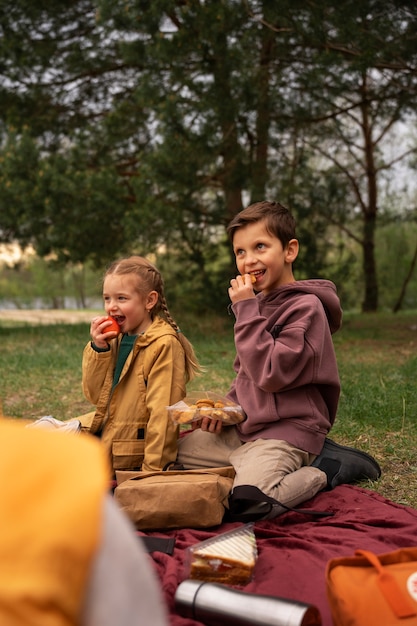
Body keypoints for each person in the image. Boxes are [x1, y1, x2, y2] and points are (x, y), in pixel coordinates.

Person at [177, 200, 381, 520]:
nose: (248, 260)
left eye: (260, 246)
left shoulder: (306, 309)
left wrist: (245, 310)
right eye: (240, 252)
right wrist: (226, 411)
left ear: (289, 250)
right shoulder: (257, 303)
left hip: (288, 430)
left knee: (252, 504)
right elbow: (246, 375)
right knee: (177, 455)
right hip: (248, 430)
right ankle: (248, 468)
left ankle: (327, 466)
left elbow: (271, 374)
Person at [0, 417, 168, 626]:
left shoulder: (47, 472)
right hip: (116, 448)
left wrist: (150, 477)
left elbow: (160, 421)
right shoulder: (54, 473)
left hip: (128, 452)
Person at [78, 255, 201, 476]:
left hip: (128, 451)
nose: (111, 307)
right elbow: (95, 396)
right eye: (107, 298)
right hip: (105, 435)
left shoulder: (164, 345)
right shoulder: (113, 340)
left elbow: (163, 416)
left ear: (149, 301)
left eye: (122, 298)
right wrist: (99, 350)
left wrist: (152, 472)